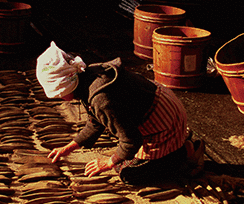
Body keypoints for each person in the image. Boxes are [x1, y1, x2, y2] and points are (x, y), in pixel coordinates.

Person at [36, 41, 204, 185]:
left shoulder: (101, 100)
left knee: (129, 174)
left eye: (56, 93)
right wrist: (70, 146)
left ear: (64, 85)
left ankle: (184, 152)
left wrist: (109, 162)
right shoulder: (86, 77)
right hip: (160, 104)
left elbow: (131, 140)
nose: (57, 97)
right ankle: (177, 144)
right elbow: (95, 121)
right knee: (124, 157)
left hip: (164, 120)